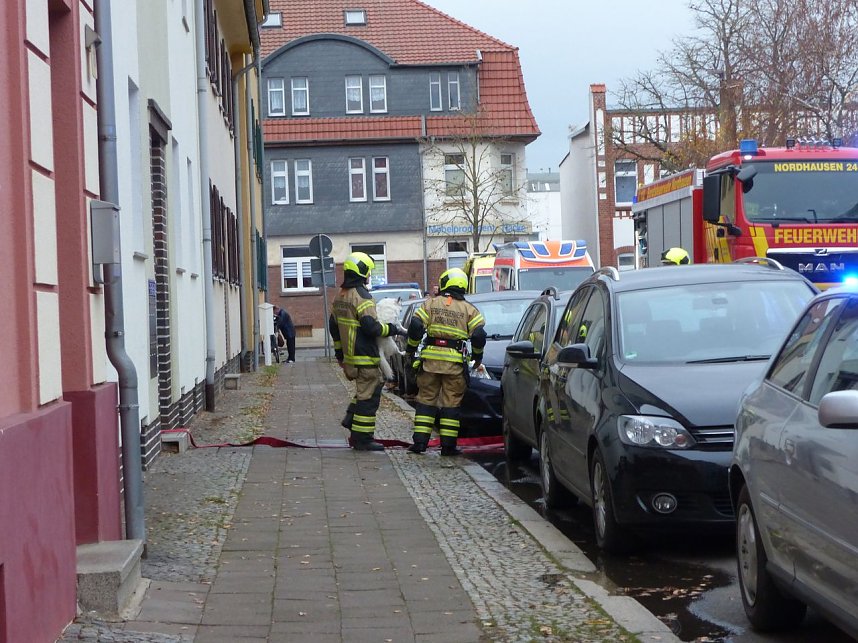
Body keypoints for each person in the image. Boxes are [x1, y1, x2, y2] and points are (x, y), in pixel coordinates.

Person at [329, 252, 407, 451]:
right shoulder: (362, 296)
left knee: (364, 392)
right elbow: (372, 328)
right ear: (362, 272)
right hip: (365, 358)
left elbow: (333, 326)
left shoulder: (340, 295)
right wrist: (393, 329)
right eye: (368, 272)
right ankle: (362, 439)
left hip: (351, 359)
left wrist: (340, 356)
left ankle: (350, 419)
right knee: (368, 399)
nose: (369, 277)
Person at [405, 268, 486, 456]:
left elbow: (416, 326)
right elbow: (479, 334)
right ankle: (448, 447)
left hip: (430, 363)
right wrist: (477, 356)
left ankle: (419, 444)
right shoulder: (470, 310)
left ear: (444, 283)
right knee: (451, 404)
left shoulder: (430, 304)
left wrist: (410, 349)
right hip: (455, 365)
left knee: (426, 401)